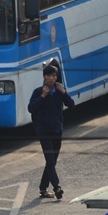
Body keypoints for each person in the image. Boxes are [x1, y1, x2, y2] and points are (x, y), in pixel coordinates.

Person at [27, 64, 72, 199]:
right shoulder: (38, 92)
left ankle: (42, 188)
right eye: (49, 76)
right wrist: (42, 96)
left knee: (52, 161)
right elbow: (31, 108)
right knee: (50, 160)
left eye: (54, 76)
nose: (51, 78)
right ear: (44, 77)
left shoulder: (59, 92)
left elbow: (72, 104)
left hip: (57, 130)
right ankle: (57, 187)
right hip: (44, 131)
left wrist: (64, 92)